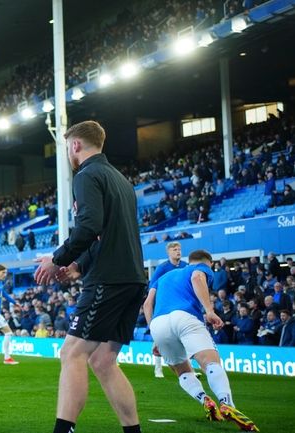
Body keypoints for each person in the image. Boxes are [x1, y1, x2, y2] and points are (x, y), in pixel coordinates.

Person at [34, 121, 147, 433]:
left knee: (72, 352)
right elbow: (107, 234)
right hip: (133, 278)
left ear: (74, 146)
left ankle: (63, 430)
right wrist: (78, 266)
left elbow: (89, 227)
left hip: (108, 279)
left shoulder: (86, 175)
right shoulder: (122, 180)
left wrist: (57, 260)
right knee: (103, 361)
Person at [143, 249, 259, 432]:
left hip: (159, 324)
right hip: (185, 316)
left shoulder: (164, 277)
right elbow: (198, 278)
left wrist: (154, 336)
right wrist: (209, 310)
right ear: (209, 263)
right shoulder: (200, 268)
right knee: (209, 362)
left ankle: (205, 399)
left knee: (181, 370)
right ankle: (226, 403)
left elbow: (147, 304)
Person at [149, 241, 187, 378]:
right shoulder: (162, 268)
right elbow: (152, 287)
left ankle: (187, 370)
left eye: (179, 249)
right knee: (160, 338)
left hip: (180, 305)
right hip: (164, 306)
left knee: (182, 336)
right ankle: (158, 369)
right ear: (169, 252)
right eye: (175, 249)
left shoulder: (185, 266)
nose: (178, 251)